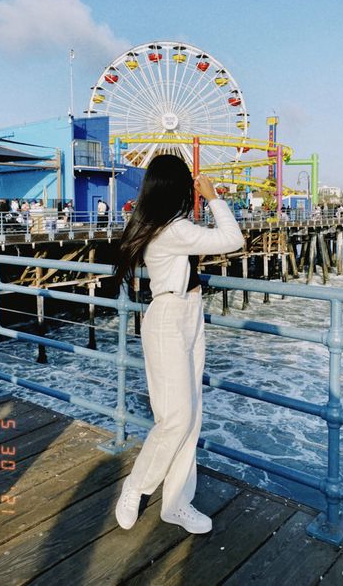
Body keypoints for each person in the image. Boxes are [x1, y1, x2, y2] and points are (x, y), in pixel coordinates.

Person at [114, 154, 243, 534]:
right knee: (176, 418)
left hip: (188, 311)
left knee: (192, 414)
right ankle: (136, 487)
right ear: (174, 187)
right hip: (169, 316)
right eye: (187, 183)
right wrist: (213, 196)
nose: (192, 188)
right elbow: (232, 239)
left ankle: (177, 503)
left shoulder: (167, 225)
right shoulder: (172, 229)